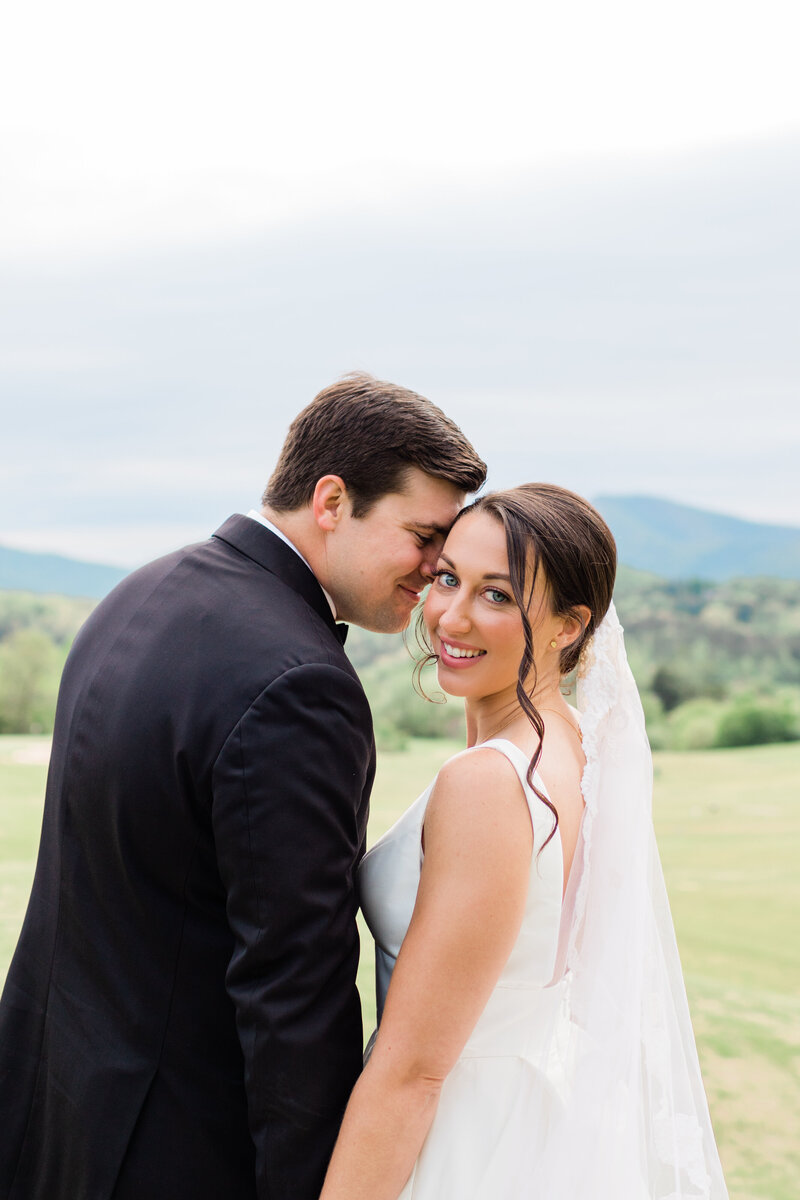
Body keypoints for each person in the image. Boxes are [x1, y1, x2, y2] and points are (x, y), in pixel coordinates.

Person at [0, 373, 486, 1200]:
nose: (437, 570)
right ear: (332, 499)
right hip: (175, 1155)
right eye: (423, 534)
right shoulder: (300, 684)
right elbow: (294, 993)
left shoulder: (142, 592)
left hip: (51, 1120)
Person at [321, 483, 729, 1199]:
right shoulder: (580, 749)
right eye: (448, 578)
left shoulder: (489, 784)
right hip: (532, 1116)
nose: (450, 614)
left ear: (570, 627)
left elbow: (414, 1071)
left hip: (461, 1140)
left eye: (498, 596)